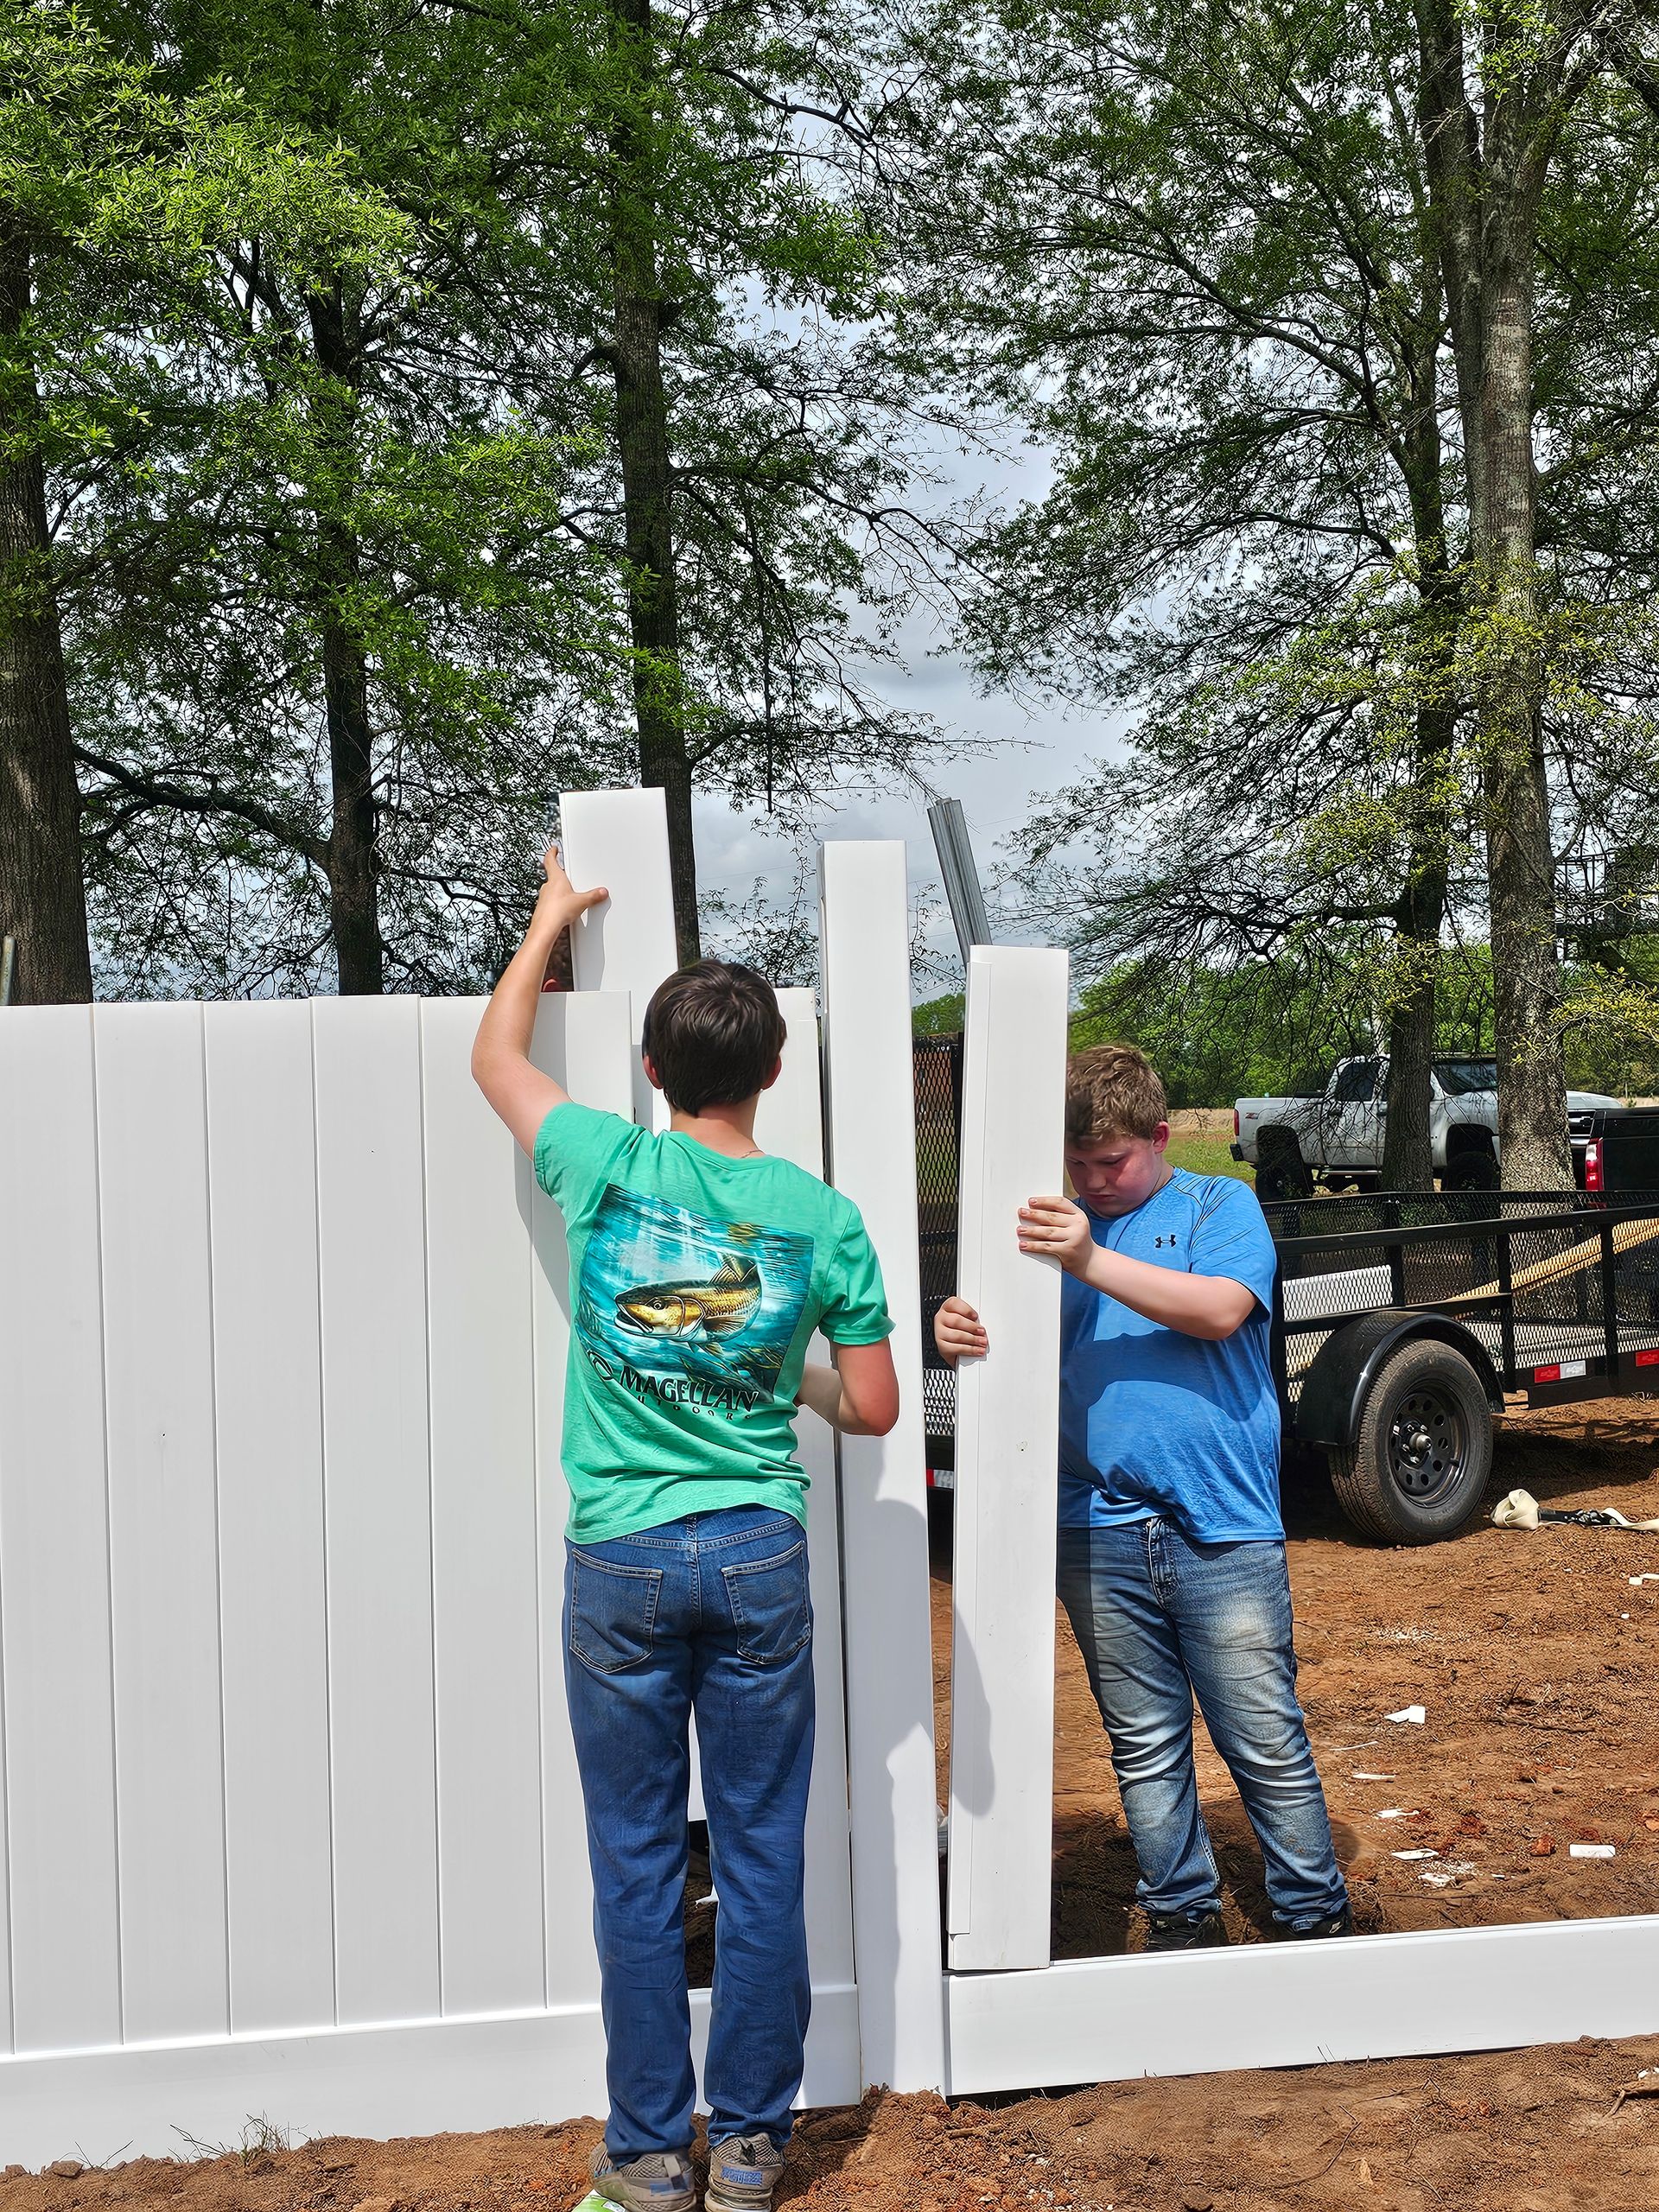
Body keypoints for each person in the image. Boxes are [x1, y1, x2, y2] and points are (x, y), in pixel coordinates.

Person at [474, 845, 899, 2212]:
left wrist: (548, 923)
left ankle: (652, 2158)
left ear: (653, 1073)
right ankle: (755, 2151)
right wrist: (792, 1378)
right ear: (772, 1071)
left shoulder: (605, 1162)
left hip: (623, 1561)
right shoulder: (822, 1219)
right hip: (759, 1551)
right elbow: (875, 1408)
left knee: (641, 1864)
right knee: (764, 1857)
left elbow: (495, 1057)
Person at [935, 1042, 1351, 1949]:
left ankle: (1314, 1916)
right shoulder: (1043, 1236)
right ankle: (1181, 1915)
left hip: (1221, 1524)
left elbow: (1219, 1311)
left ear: (1159, 1138)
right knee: (1144, 1742)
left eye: (1112, 1161)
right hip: (1093, 1525)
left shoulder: (1217, 1204)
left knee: (1262, 1734)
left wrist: (1087, 1258)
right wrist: (957, 1326)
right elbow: (998, 1338)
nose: (1094, 1180)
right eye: (1077, 1163)